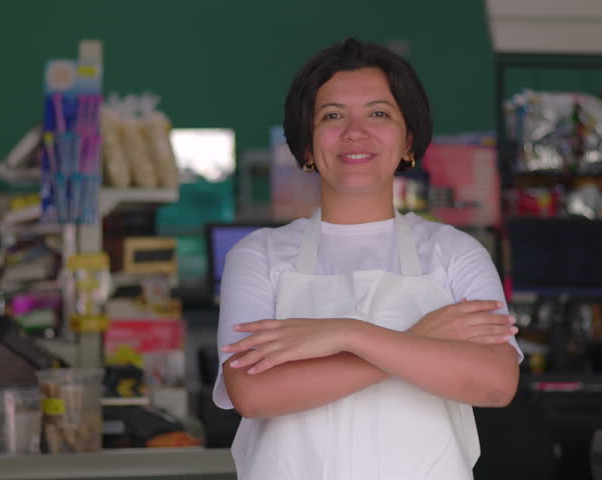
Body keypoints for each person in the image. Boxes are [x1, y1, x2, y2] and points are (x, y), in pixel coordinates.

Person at [214, 38, 521, 479]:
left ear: (408, 140)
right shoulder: (258, 257)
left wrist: (347, 333)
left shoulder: (454, 253)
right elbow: (254, 392)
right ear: (305, 146)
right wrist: (417, 340)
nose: (355, 132)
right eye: (332, 116)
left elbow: (495, 383)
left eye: (379, 113)